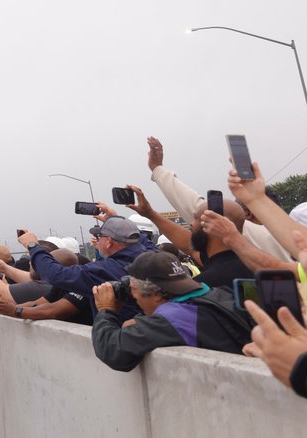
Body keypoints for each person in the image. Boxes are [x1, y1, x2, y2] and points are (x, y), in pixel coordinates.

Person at [91, 251, 251, 372]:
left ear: (156, 296)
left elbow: (112, 351)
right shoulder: (219, 293)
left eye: (133, 290)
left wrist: (107, 310)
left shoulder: (174, 320)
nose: (133, 296)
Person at [145, 136, 291, 262]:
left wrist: (158, 170)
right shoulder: (292, 242)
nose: (193, 224)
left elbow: (197, 207)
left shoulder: (269, 240)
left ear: (247, 214)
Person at [19, 210, 156, 320]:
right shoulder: (153, 257)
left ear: (108, 242)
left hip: (121, 341)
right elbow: (142, 240)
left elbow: (56, 274)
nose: (96, 240)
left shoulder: (104, 270)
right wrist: (117, 220)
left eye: (99, 236)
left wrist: (33, 246)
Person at [124, 185, 252, 289]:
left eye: (196, 218)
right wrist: (150, 213)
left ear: (213, 226)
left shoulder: (203, 286)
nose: (191, 223)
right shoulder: (255, 266)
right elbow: (189, 246)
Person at [0, 248, 93, 325]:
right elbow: (37, 303)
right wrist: (0, 306)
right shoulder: (61, 285)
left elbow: (54, 311)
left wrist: (14, 311)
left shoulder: (82, 285)